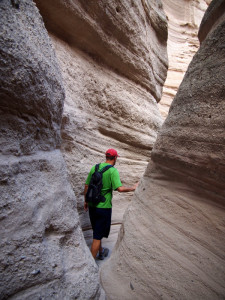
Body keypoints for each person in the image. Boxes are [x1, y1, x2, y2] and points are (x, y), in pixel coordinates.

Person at [84, 148, 138, 260]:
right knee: (97, 236)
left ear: (106, 157)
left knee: (96, 231)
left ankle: (101, 251)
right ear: (115, 158)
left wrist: (86, 201)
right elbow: (120, 189)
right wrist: (133, 187)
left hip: (92, 205)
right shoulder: (113, 171)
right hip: (104, 208)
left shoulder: (95, 167)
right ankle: (91, 264)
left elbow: (86, 186)